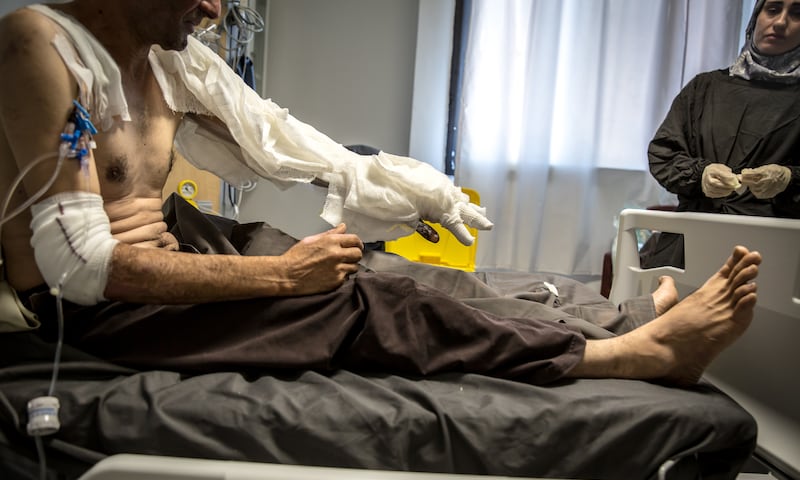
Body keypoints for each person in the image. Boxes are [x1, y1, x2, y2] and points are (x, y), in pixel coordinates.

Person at [0, 0, 762, 389]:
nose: (215, 11)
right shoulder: (39, 43)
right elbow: (76, 266)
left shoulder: (165, 63)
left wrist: (409, 186)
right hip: (98, 313)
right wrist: (278, 277)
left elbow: (277, 135)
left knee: (376, 268)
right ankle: (626, 353)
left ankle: (607, 313)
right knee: (358, 302)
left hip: (175, 247)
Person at [643, 0, 800, 268]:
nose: (781, 22)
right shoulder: (705, 88)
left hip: (774, 255)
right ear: (755, 19)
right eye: (772, 9)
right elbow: (663, 154)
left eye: (797, 14)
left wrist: (789, 179)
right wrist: (700, 175)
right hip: (691, 244)